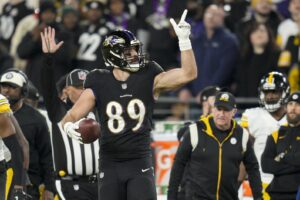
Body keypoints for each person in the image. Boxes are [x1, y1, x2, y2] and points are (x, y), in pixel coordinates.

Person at [59, 9, 197, 200]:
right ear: (114, 55)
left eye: (134, 49)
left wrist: (185, 41)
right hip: (109, 162)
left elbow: (188, 74)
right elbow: (72, 115)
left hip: (140, 161)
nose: (134, 54)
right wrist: (68, 126)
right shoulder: (98, 80)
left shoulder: (149, 74)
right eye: (128, 51)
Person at [39, 27, 100, 199]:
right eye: (79, 88)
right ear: (66, 91)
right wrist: (49, 59)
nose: (84, 92)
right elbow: (48, 87)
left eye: (87, 88)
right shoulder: (58, 111)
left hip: (99, 184)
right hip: (69, 185)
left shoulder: (99, 111)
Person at [168, 92, 262, 200]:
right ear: (213, 109)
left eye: (226, 110)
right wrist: (171, 196)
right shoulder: (195, 130)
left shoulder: (242, 135)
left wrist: (258, 197)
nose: (221, 114)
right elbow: (178, 165)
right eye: (218, 108)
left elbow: (253, 168)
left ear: (234, 112)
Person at [0, 69, 55, 199]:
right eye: (3, 86)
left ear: (24, 91)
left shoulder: (36, 118)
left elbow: (46, 155)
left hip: (26, 178)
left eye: (12, 87)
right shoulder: (4, 109)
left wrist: (49, 187)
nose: (6, 90)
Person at [240, 71, 290, 200]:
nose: (270, 96)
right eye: (267, 92)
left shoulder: (295, 117)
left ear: (285, 93)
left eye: (275, 92)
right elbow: (242, 152)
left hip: (290, 183)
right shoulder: (252, 116)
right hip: (259, 183)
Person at [261, 91, 300, 200]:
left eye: (297, 105)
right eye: (290, 104)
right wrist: (295, 165)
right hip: (275, 193)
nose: (293, 108)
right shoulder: (276, 134)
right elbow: (266, 165)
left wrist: (282, 157)